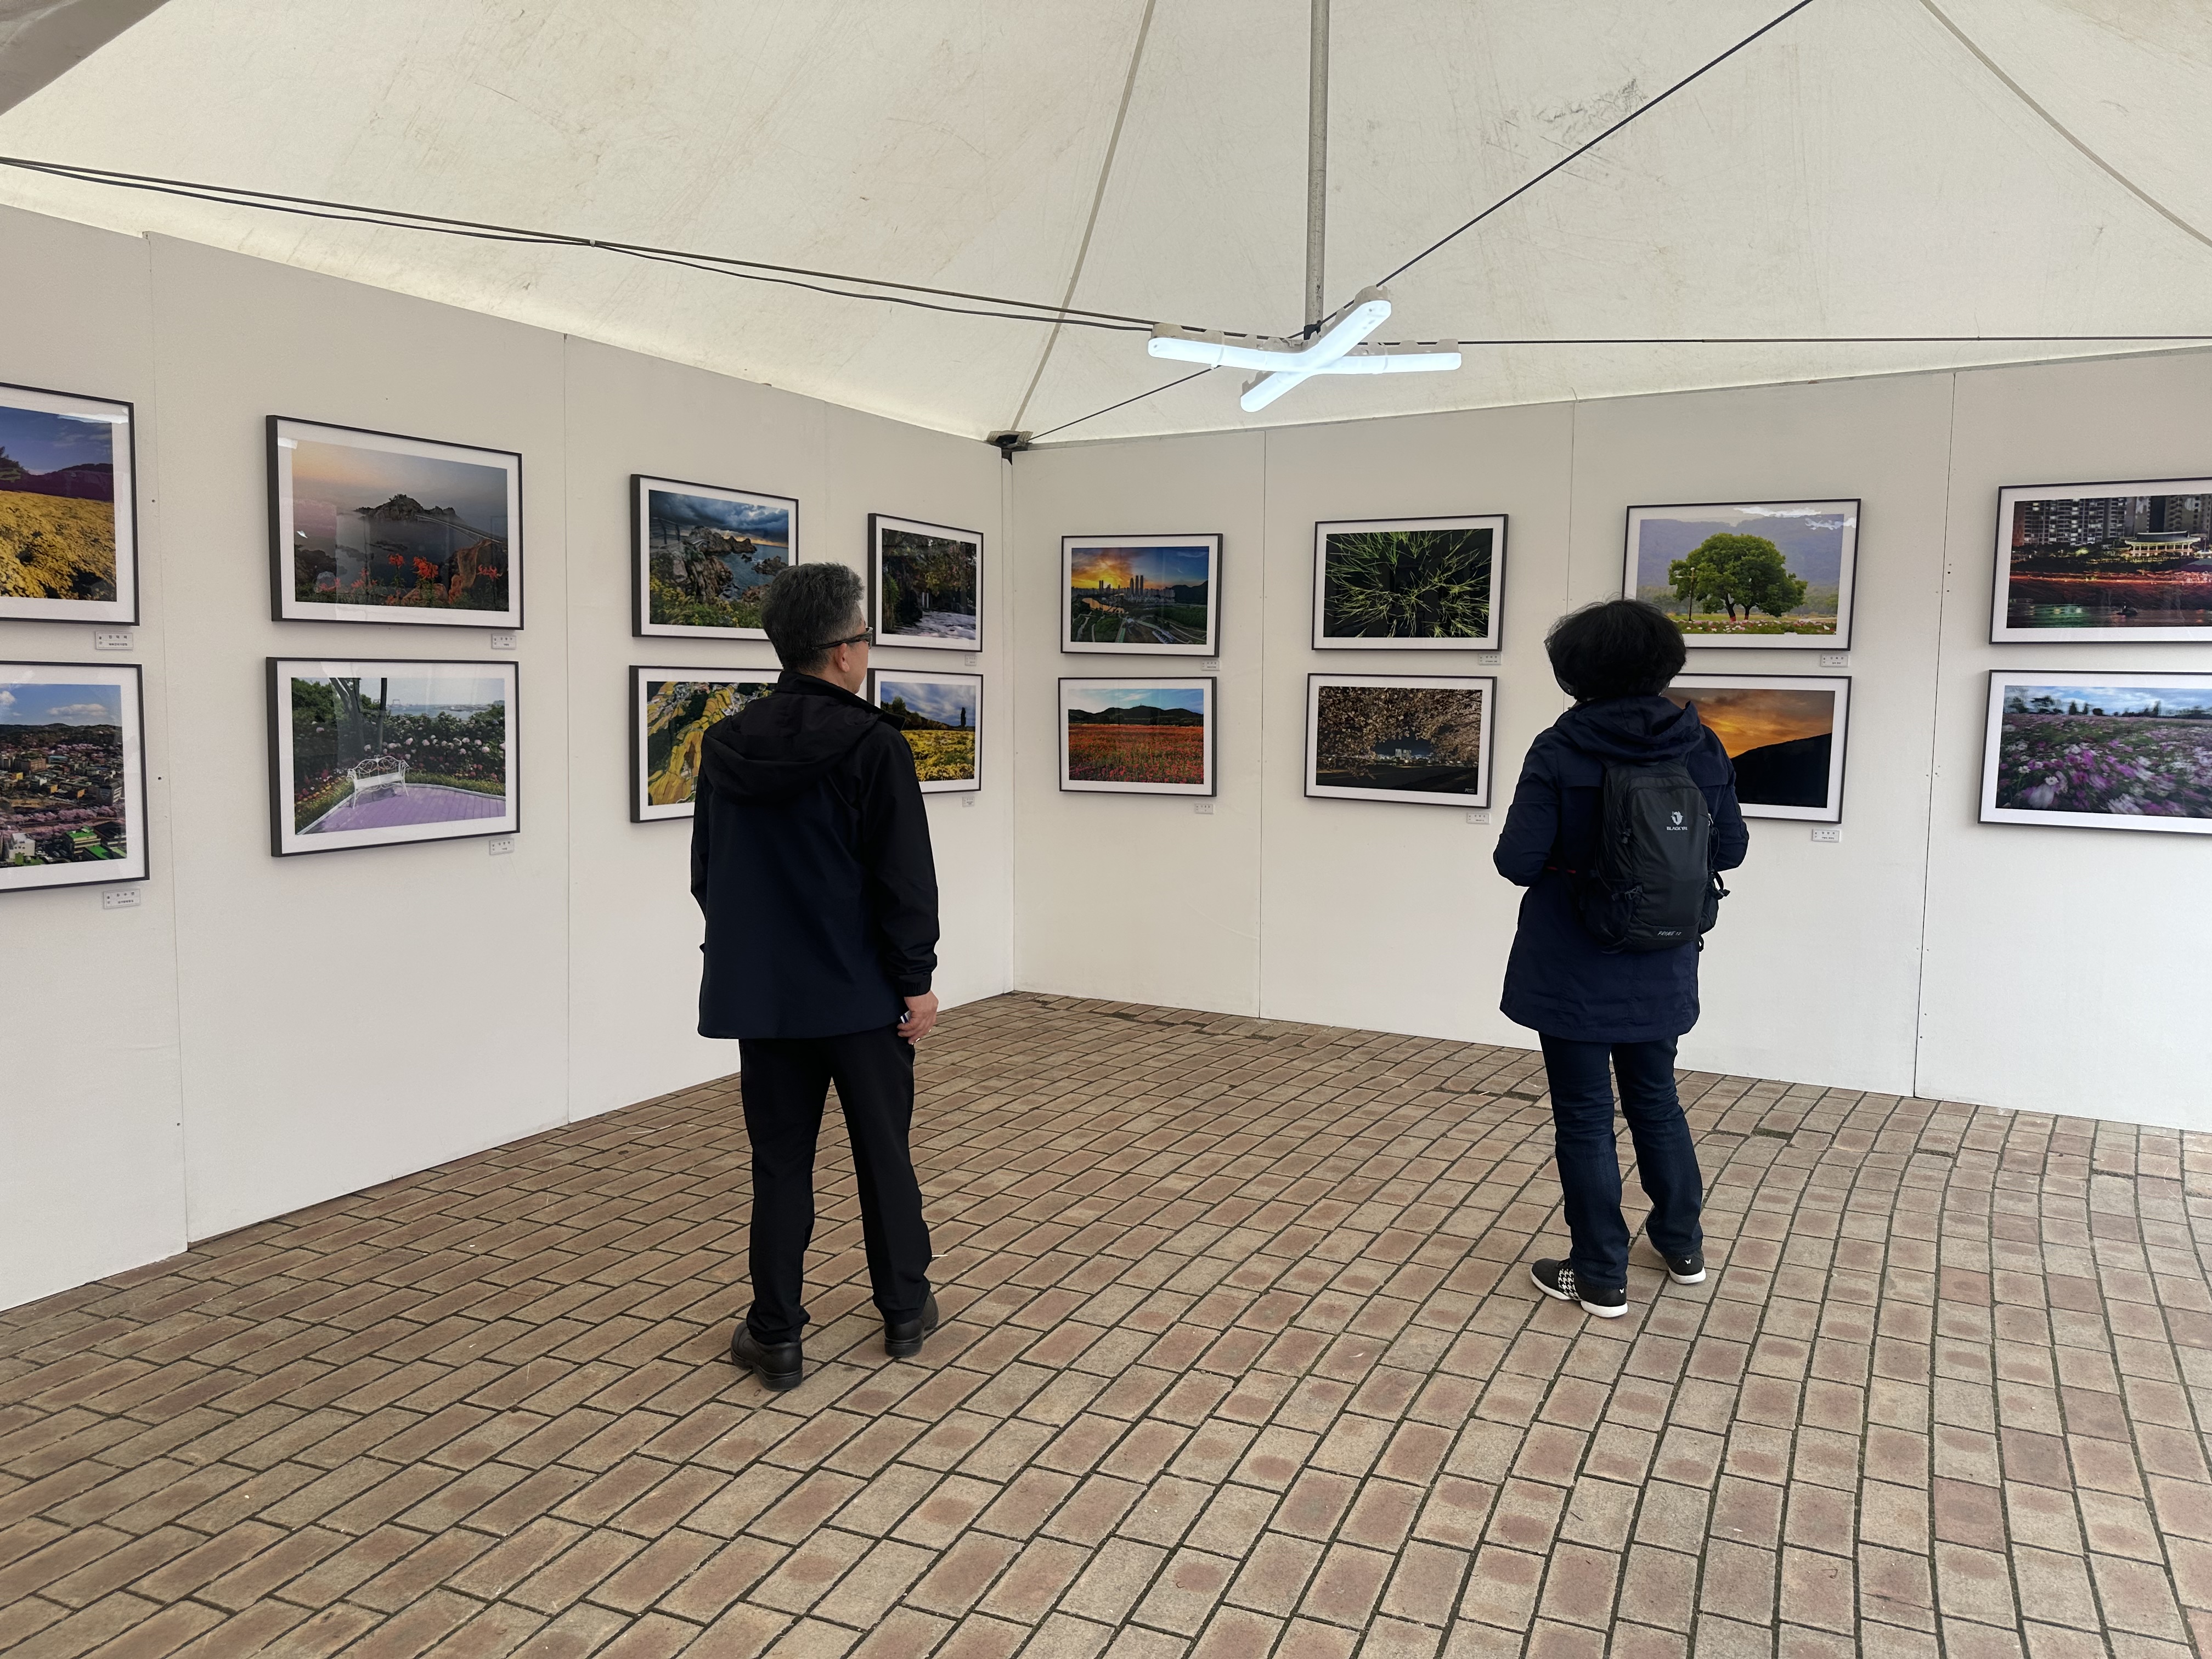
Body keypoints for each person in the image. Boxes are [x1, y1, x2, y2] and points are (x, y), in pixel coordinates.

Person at [691, 561, 941, 1389]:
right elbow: (904, 882)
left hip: (766, 1000)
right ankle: (904, 1311)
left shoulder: (725, 744)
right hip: (862, 996)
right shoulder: (875, 745)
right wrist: (915, 980)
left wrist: (764, 955)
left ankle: (776, 1335)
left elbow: (708, 876)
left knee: (780, 1163)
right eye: (866, 637)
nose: (867, 650)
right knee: (884, 1155)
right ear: (842, 652)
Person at [1493, 599, 1747, 1318]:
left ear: (1575, 673)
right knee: (1656, 1100)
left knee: (1584, 1116)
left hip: (1574, 959)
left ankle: (1600, 1272)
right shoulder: (1701, 745)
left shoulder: (1559, 747)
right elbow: (1730, 850)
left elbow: (1517, 862)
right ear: (1665, 664)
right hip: (1663, 955)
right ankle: (1681, 1244)